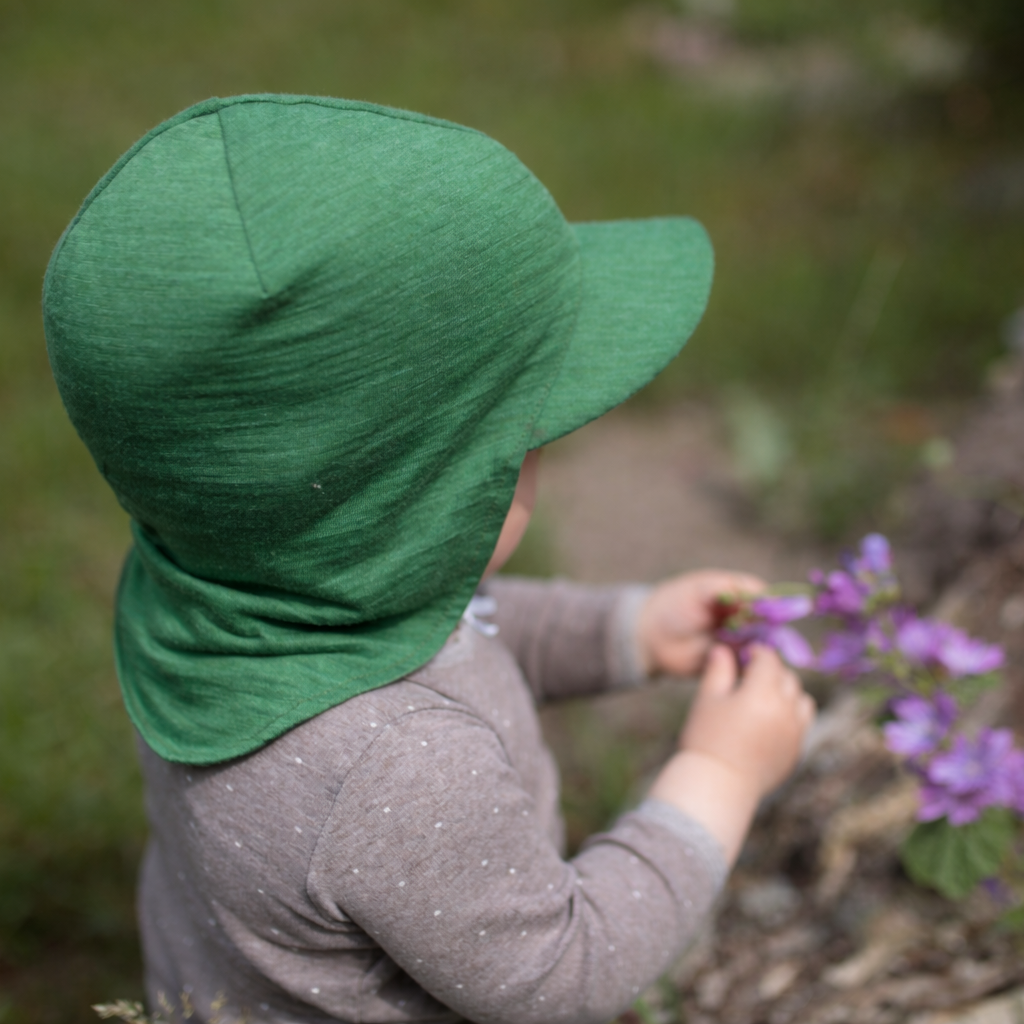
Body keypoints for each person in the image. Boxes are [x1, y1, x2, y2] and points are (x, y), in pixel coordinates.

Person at [43, 94, 814, 1023]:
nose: (548, 456)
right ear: (410, 506)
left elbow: (456, 625)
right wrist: (719, 777)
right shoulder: (392, 769)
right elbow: (563, 974)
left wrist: (628, 630)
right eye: (527, 438)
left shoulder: (219, 587)